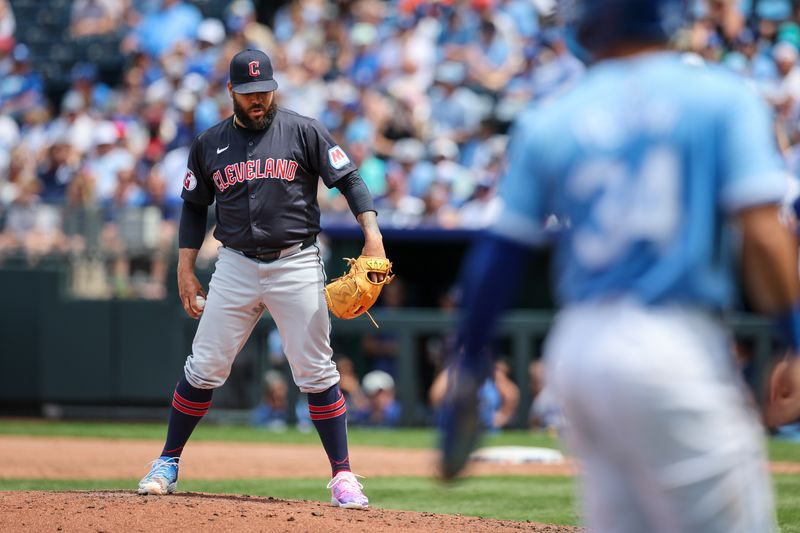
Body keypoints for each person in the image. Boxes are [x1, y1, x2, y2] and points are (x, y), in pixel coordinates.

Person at [439, 1, 800, 531]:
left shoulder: (553, 116)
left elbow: (496, 259)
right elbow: (765, 239)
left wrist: (468, 370)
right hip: (672, 341)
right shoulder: (721, 99)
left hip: (579, 354)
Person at [137, 48, 386, 510]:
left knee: (316, 372)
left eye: (265, 91)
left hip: (295, 261)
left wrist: (372, 235)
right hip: (234, 265)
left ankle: (343, 476)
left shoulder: (303, 129)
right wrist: (185, 268)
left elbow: (350, 179)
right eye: (249, 92)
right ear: (231, 90)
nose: (259, 100)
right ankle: (167, 461)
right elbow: (194, 208)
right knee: (205, 366)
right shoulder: (209, 143)